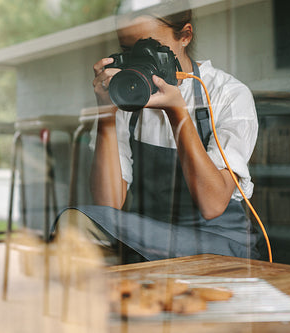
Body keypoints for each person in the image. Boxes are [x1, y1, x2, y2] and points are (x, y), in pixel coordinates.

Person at [56, 0, 263, 264]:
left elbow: (213, 205)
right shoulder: (125, 94)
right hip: (150, 239)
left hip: (217, 242)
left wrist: (177, 112)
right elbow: (107, 205)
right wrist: (107, 112)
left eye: (149, 49)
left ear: (185, 36)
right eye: (129, 51)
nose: (140, 62)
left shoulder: (228, 94)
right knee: (74, 222)